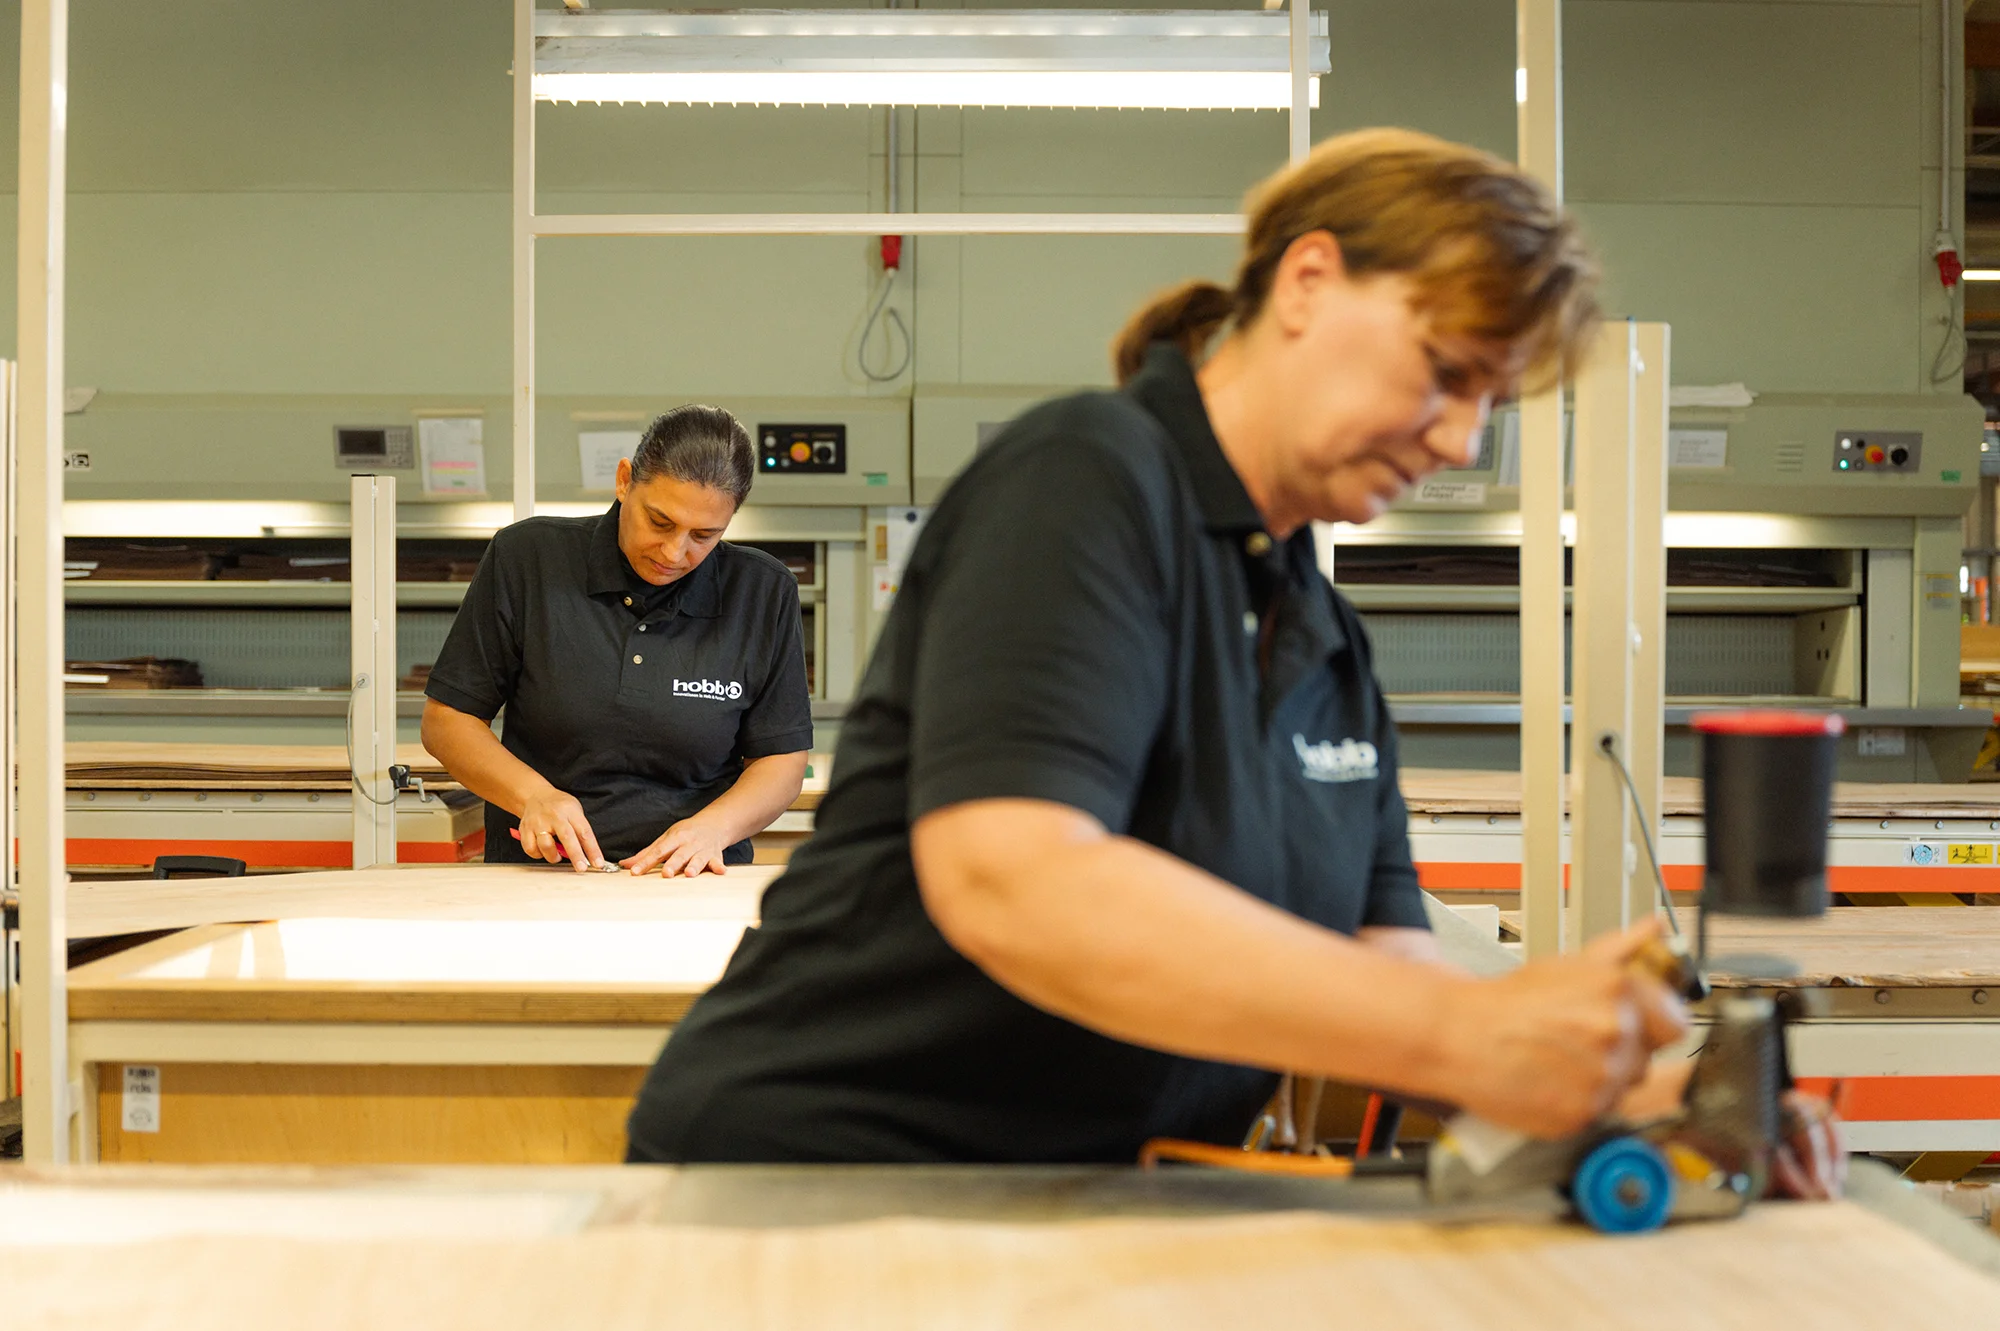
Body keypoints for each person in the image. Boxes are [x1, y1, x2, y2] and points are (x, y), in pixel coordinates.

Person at [623, 129, 1817, 1178]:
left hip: (1083, 1198)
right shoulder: (1088, 476)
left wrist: (1644, 1105)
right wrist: (1467, 1038)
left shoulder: (1324, 638)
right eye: (1446, 373)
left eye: (1490, 402)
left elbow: (1389, 965)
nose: (1460, 438)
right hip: (822, 1183)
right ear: (1308, 279)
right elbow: (1014, 876)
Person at [422, 404, 812, 876]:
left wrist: (715, 828)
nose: (674, 553)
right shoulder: (527, 559)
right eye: (660, 522)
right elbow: (448, 721)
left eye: (704, 536)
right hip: (540, 876)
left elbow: (782, 759)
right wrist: (533, 796)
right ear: (625, 480)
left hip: (693, 880)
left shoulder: (762, 592)